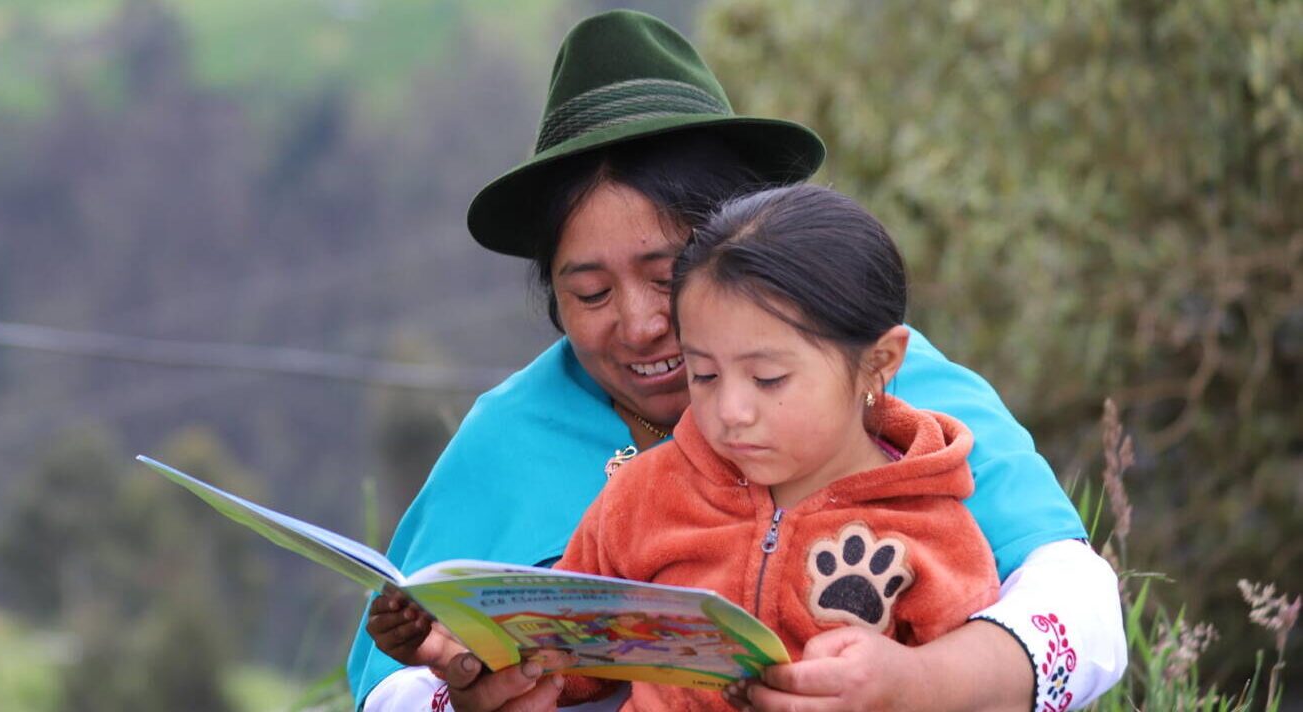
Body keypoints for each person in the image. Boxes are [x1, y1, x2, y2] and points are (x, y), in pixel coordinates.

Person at [350, 10, 1125, 712]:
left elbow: (1078, 605)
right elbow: (390, 685)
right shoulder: (508, 438)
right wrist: (468, 694)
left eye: (670, 276)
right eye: (590, 293)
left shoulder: (892, 386)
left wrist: (918, 682)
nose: (642, 325)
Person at [374, 184, 1007, 710]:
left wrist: (909, 688)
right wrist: (469, 651)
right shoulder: (645, 495)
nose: (730, 410)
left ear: (880, 362)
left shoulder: (931, 531)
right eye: (703, 374)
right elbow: (575, 655)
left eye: (768, 378)